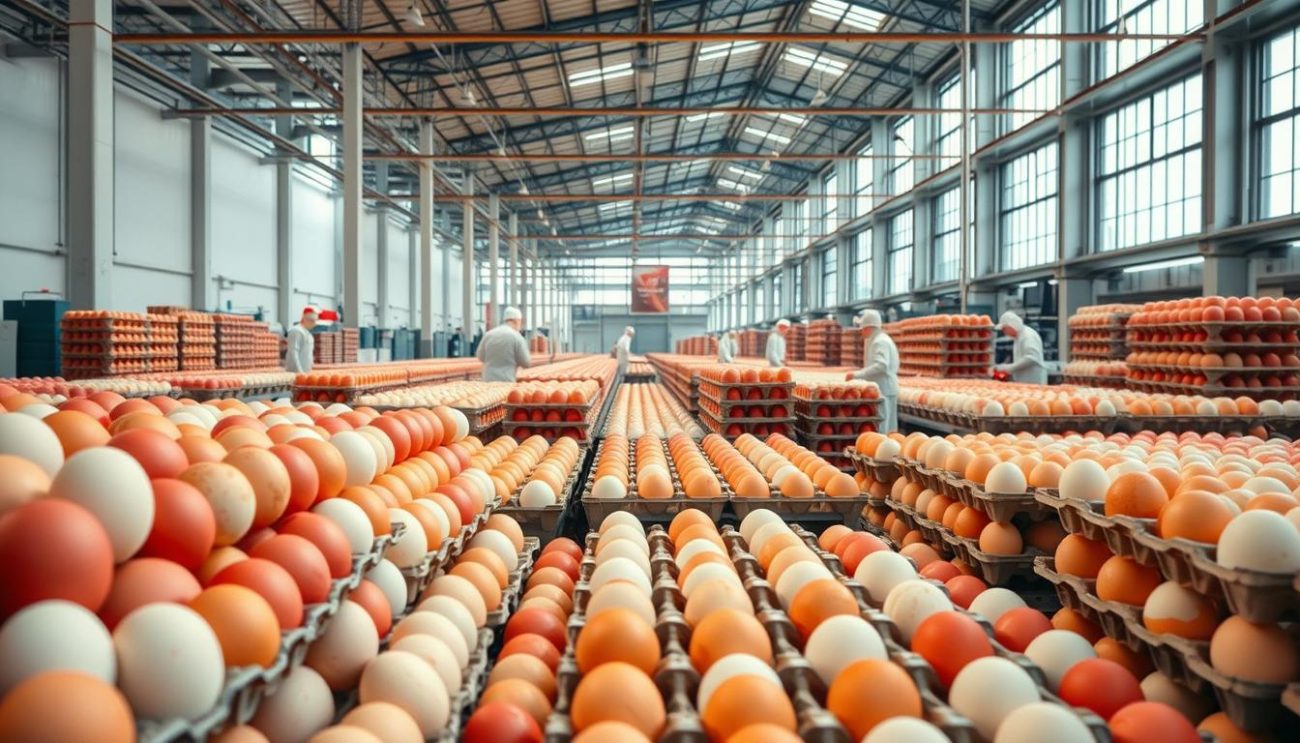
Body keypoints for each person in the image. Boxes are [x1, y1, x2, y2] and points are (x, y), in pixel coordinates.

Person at [846, 309, 900, 434]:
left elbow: (882, 365)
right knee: (889, 429)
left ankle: (882, 453)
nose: (861, 331)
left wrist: (857, 375)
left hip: (883, 389)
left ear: (869, 327)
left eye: (862, 328)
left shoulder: (879, 342)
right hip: (886, 388)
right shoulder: (883, 339)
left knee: (882, 428)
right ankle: (887, 451)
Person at [477, 307, 531, 382]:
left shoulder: (489, 334)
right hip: (506, 381)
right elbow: (526, 363)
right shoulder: (517, 337)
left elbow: (480, 357)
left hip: (487, 381)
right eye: (520, 322)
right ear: (516, 321)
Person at [997, 311, 1047, 385]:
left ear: (1011, 326)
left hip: (1033, 381)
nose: (1004, 332)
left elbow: (1032, 358)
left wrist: (1010, 368)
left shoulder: (1027, 335)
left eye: (1004, 329)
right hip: (1024, 381)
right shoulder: (1018, 337)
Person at [284, 306, 318, 373]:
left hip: (306, 373)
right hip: (295, 373)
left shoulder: (309, 334)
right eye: (312, 321)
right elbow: (293, 353)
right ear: (305, 319)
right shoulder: (296, 331)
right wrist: (300, 372)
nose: (314, 324)